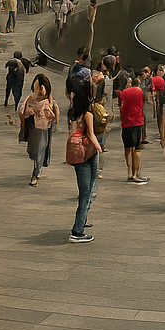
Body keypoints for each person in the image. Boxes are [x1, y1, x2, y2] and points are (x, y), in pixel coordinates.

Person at [66, 84, 103, 243]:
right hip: (87, 153)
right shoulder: (88, 114)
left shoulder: (75, 113)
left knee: (85, 191)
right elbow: (90, 133)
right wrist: (99, 147)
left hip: (76, 154)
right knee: (86, 192)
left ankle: (82, 221)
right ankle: (77, 231)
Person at [21, 73, 58, 186]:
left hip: (44, 127)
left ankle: (35, 173)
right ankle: (38, 167)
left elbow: (55, 111)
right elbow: (23, 109)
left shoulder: (50, 101)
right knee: (32, 150)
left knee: (40, 149)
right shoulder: (31, 98)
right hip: (33, 126)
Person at [117, 74, 148, 183]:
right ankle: (136, 174)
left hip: (126, 123)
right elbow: (143, 103)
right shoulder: (139, 92)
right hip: (137, 121)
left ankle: (129, 172)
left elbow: (120, 106)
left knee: (127, 147)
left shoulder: (122, 94)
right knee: (137, 148)